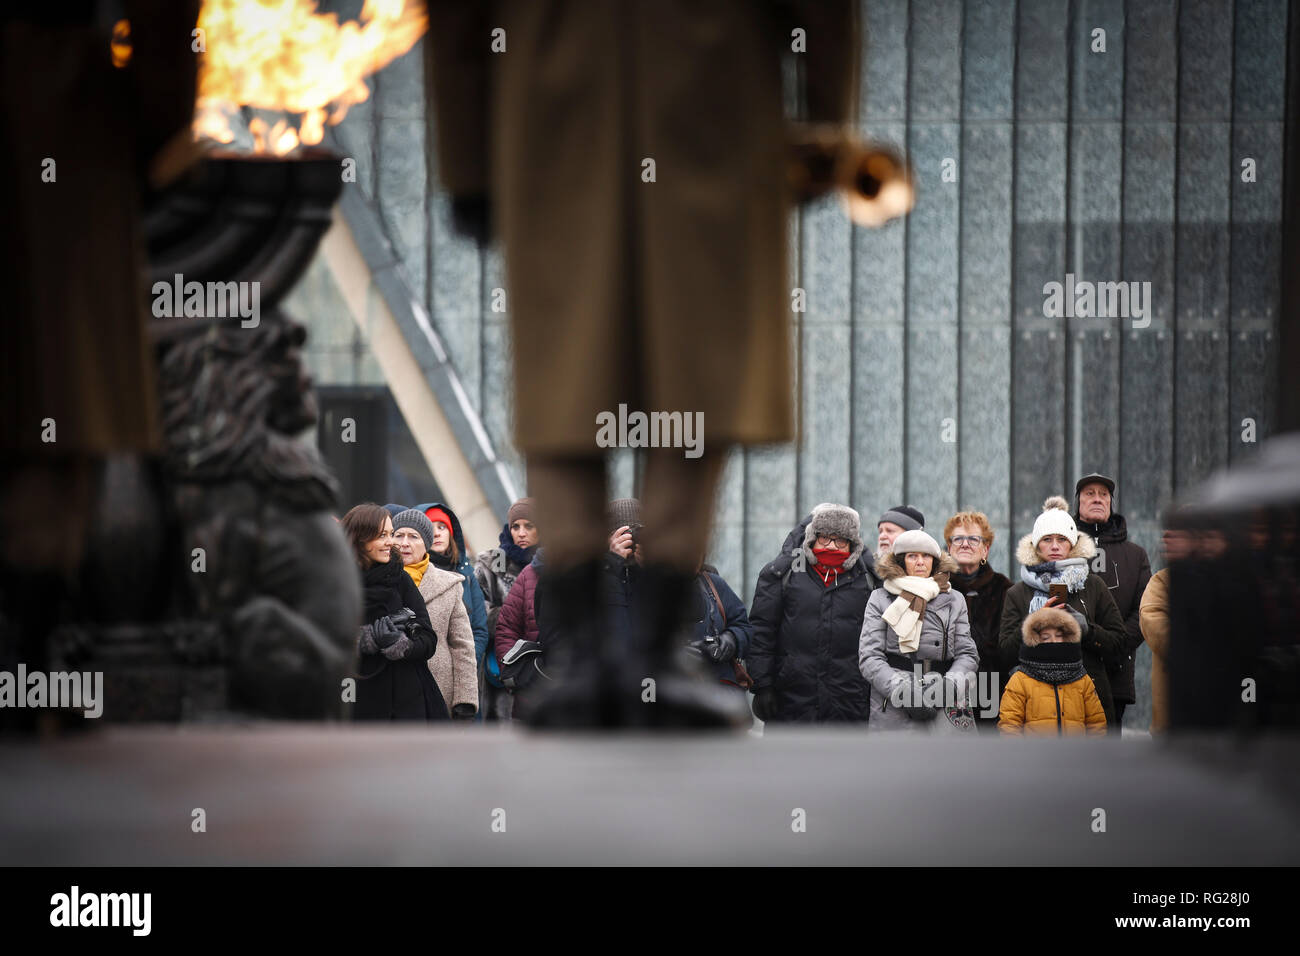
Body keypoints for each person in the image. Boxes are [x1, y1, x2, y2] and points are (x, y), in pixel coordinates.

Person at [426, 0, 860, 728]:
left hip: (562, 114)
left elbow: (458, 25)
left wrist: (469, 162)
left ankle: (616, 659)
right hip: (707, 107)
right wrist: (821, 127)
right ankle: (634, 658)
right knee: (669, 383)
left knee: (594, 383)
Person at [999, 496, 1127, 730]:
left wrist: (1086, 629)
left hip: (1087, 706)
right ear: (1036, 546)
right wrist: (1032, 624)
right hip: (1034, 712)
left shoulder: (1093, 585)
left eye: (1062, 539)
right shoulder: (1017, 593)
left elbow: (1119, 645)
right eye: (1047, 539)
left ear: (1072, 544)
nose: (1055, 546)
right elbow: (1005, 653)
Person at [747, 503, 876, 724]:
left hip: (849, 701)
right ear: (812, 539)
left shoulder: (869, 580)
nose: (832, 546)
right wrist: (762, 685)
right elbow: (761, 630)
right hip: (790, 699)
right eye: (825, 538)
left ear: (852, 545)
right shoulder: (784, 574)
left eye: (841, 540)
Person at [859, 529, 978, 732]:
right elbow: (869, 657)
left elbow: (967, 654)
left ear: (935, 561)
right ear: (900, 561)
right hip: (896, 700)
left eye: (926, 556)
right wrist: (902, 692)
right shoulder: (880, 598)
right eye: (912, 556)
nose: (920, 562)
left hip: (945, 697)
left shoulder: (954, 599)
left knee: (953, 763)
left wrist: (949, 687)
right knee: (898, 763)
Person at [341, 503, 445, 721]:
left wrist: (399, 643)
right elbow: (322, 640)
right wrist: (365, 639)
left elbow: (428, 639)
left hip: (407, 703)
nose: (391, 541)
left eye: (390, 533)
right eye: (382, 535)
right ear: (359, 538)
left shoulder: (400, 578)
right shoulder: (336, 582)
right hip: (354, 699)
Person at [1072, 473, 1152, 732]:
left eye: (1103, 494)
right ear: (1078, 503)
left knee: (1106, 761)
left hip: (1114, 674)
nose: (1097, 499)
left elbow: (1143, 612)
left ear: (1111, 503)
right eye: (1089, 493)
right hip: (1066, 672)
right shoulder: (1060, 547)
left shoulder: (1136, 555)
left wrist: (1113, 647)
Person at [393, 508, 478, 720]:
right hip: (392, 689)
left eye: (413, 536)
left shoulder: (450, 585)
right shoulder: (378, 581)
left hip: (439, 689)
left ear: (427, 543)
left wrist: (465, 698)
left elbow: (462, 646)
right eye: (398, 535)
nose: (404, 543)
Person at [944, 510, 1012, 727]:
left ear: (986, 549)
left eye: (973, 539)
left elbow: (1009, 648)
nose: (965, 544)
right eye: (958, 539)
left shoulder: (1004, 589)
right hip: (945, 694)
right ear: (948, 548)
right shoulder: (935, 589)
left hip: (992, 694)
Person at [475, 497, 540, 722]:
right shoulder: (490, 563)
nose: (521, 533)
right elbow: (476, 611)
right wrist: (513, 617)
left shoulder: (555, 565)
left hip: (544, 669)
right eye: (515, 526)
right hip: (501, 667)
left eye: (528, 526)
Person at [997, 607, 1107, 736]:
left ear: (1067, 637)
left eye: (1059, 636)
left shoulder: (1082, 680)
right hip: (1034, 755)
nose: (1053, 641)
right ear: (1035, 640)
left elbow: (1097, 726)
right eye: (1045, 637)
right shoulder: (1020, 680)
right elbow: (1009, 726)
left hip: (1076, 755)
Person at [414, 501, 490, 681]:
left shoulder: (468, 575)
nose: (437, 532)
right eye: (430, 526)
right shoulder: (411, 574)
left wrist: (465, 667)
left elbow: (479, 630)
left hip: (462, 677)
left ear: (451, 533)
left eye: (442, 527)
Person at [1139, 520, 1195, 735]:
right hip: (1172, 716)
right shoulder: (1162, 581)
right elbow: (1152, 621)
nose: (1166, 538)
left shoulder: (1227, 578)